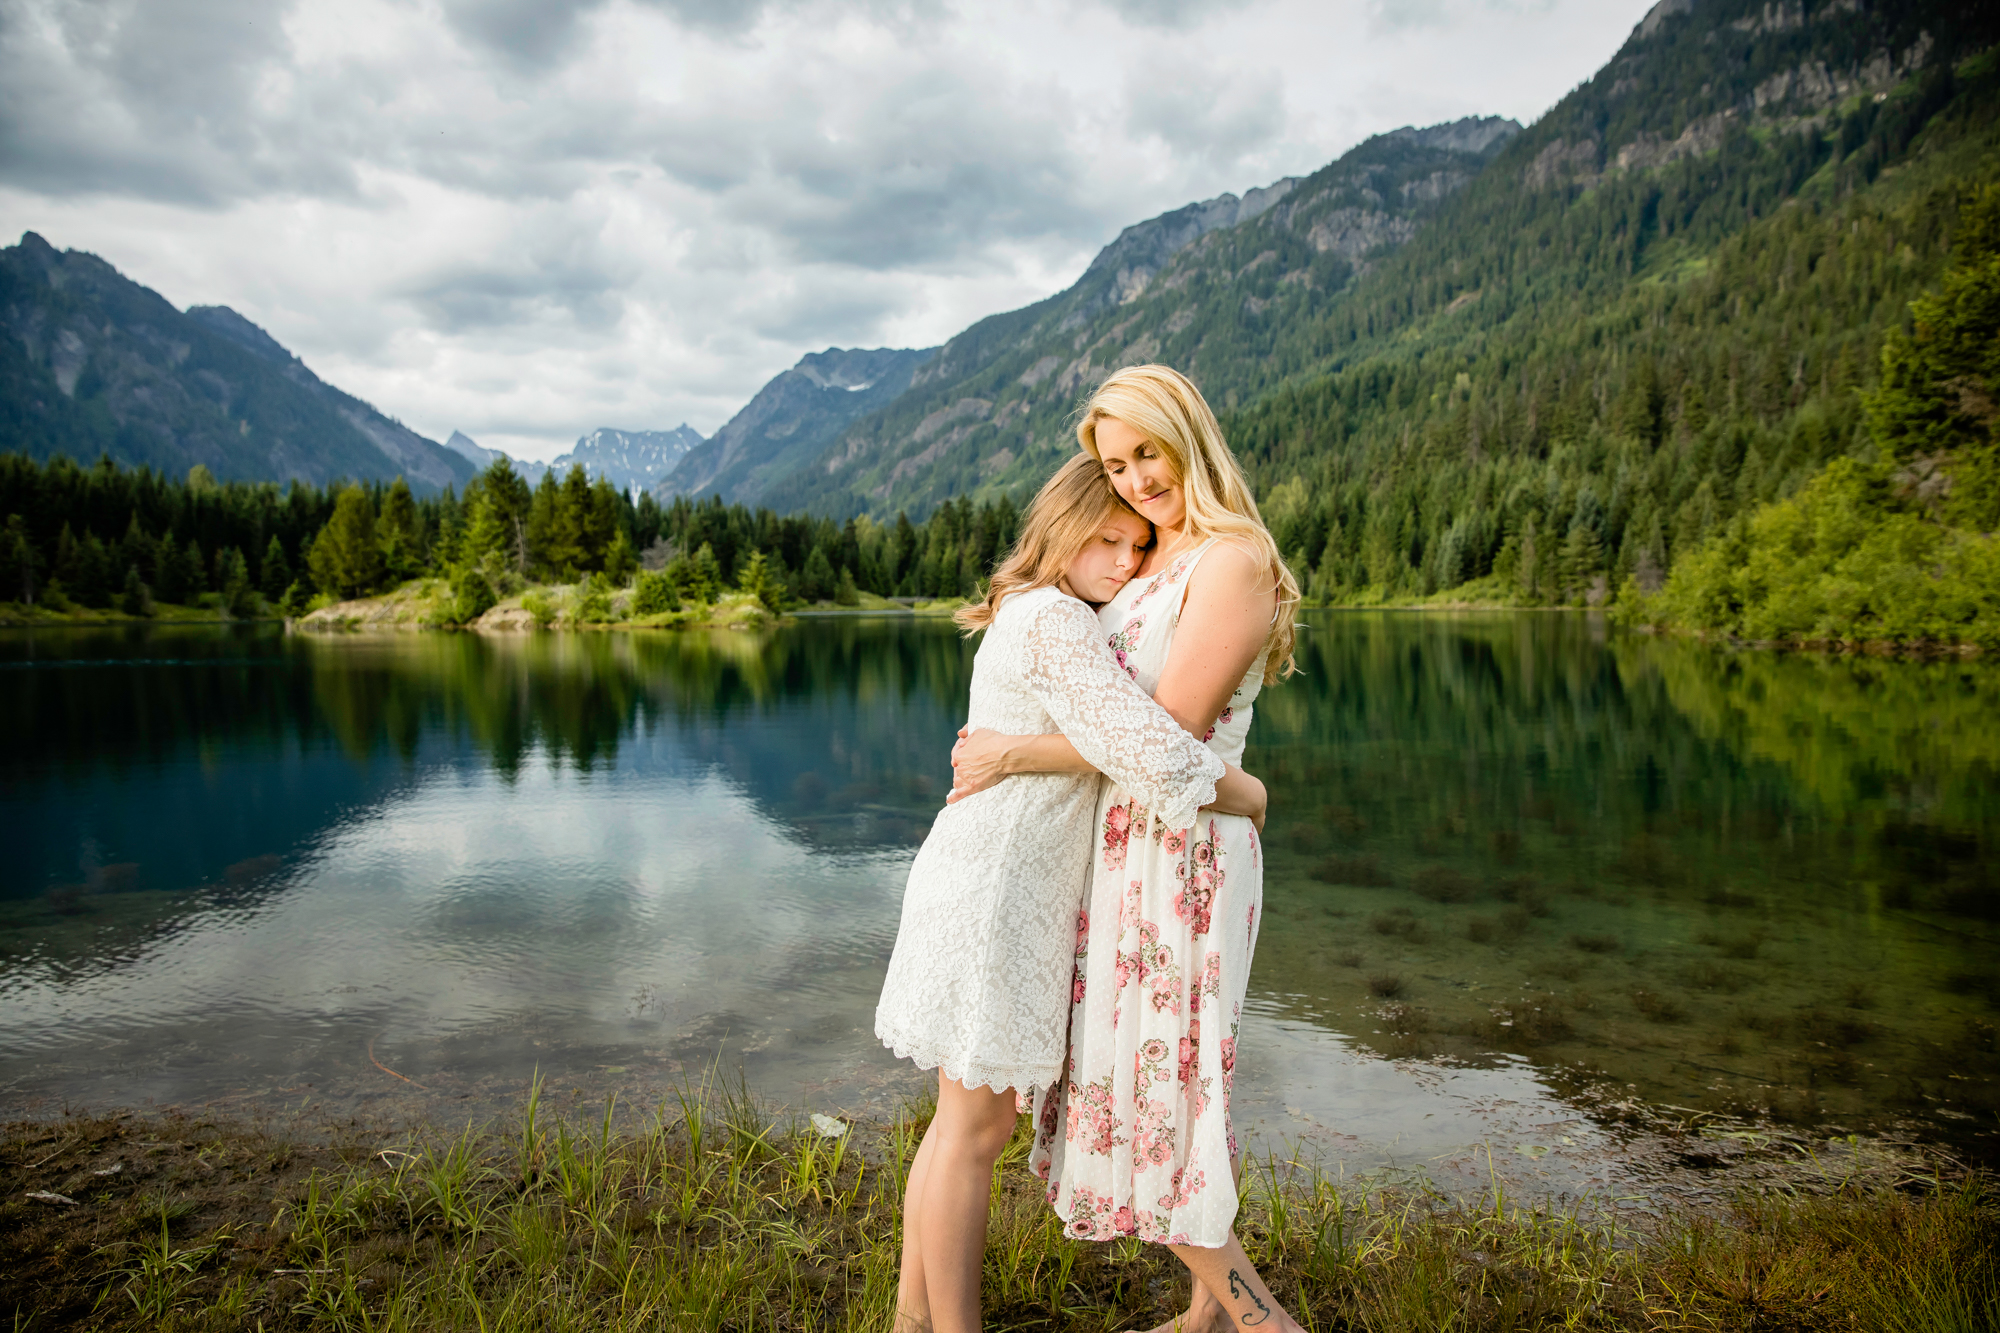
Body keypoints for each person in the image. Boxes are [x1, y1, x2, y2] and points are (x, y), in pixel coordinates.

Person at [875, 452, 1271, 1333]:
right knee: (974, 1134)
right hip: (1000, 891)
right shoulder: (1055, 618)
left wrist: (1012, 751)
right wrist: (1245, 792)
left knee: (955, 1127)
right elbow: (1146, 742)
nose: (1125, 562)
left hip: (991, 879)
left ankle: (912, 1317)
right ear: (1059, 531)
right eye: (1107, 540)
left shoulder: (1037, 611)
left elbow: (1102, 736)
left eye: (1136, 546)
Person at [947, 364, 1305, 1333]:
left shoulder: (1229, 559)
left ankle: (1257, 1317)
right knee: (1143, 1075)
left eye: (1145, 451)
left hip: (1181, 850)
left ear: (1187, 431)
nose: (1135, 477)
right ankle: (1206, 1314)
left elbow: (1163, 733)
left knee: (1160, 1083)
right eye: (1114, 462)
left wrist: (1011, 751)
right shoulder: (1144, 556)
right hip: (1120, 846)